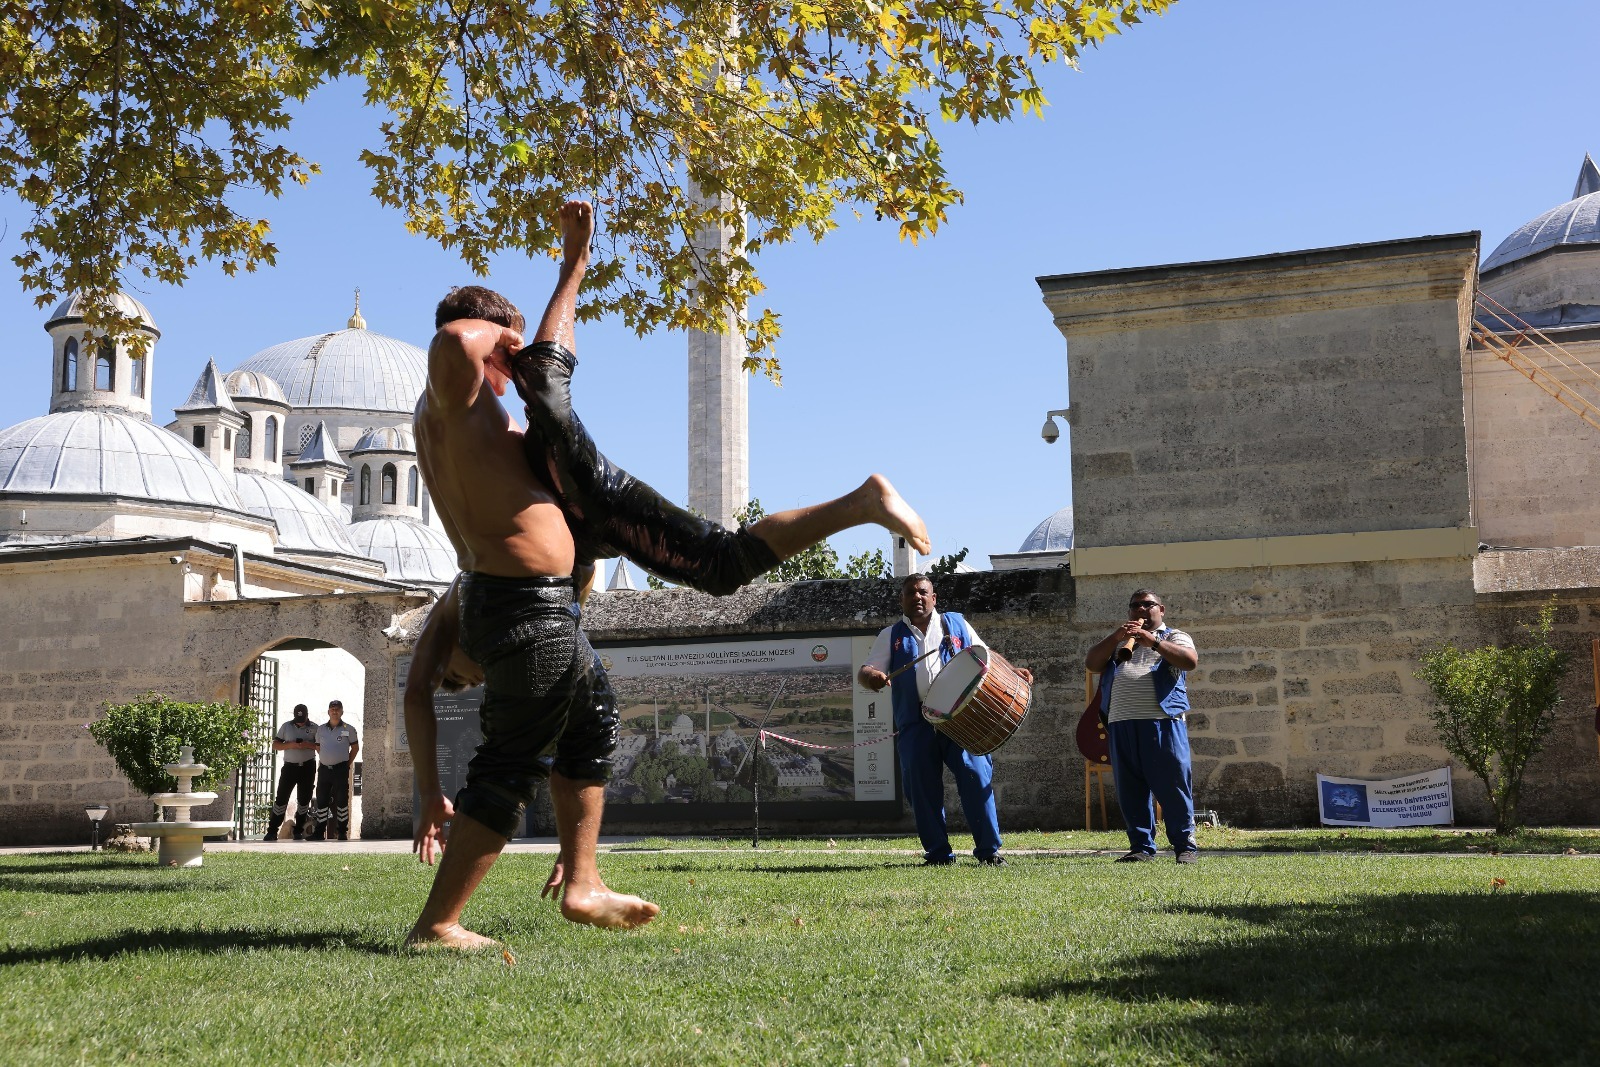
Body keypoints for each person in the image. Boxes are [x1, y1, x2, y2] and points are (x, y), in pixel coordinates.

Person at [407, 198, 930, 950]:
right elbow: (461, 339)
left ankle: (583, 880)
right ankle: (439, 923)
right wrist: (531, 322)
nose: (512, 372)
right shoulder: (456, 396)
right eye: (507, 355)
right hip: (526, 605)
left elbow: (540, 393)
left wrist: (542, 324)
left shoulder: (472, 424)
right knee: (511, 761)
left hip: (538, 599)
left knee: (594, 721)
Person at [858, 574, 1031, 867]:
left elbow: (986, 655)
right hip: (915, 723)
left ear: (933, 597)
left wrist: (1011, 669)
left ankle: (989, 851)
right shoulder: (891, 635)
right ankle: (938, 854)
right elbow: (866, 671)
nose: (917, 597)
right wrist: (872, 677)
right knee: (921, 788)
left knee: (976, 775)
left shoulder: (956, 624)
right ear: (901, 600)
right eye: (910, 593)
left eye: (923, 592)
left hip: (961, 717)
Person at [1085, 588, 1201, 864]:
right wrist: (1117, 636)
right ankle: (1141, 847)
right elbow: (1092, 663)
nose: (1141, 609)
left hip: (1162, 723)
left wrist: (1154, 642)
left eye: (1148, 604)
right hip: (1121, 724)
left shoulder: (1173, 636)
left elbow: (1189, 661)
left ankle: (1184, 847)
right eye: (1135, 605)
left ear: (1161, 609)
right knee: (1131, 790)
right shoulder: (1120, 643)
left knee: (1172, 786)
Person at [263, 703, 317, 841]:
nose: (300, 723)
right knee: (281, 798)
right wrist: (291, 745)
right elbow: (275, 745)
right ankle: (272, 831)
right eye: (298, 720)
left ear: (307, 716)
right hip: (289, 767)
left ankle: (298, 830)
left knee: (304, 800)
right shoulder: (286, 726)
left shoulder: (314, 728)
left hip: (307, 767)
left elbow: (321, 747)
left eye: (302, 720)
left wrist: (307, 745)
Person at [307, 699, 359, 842]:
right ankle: (319, 833)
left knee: (341, 801)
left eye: (337, 709)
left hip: (340, 769)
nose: (334, 711)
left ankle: (342, 832)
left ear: (342, 712)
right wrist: (327, 758)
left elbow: (355, 748)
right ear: (328, 712)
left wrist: (346, 764)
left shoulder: (349, 729)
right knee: (322, 801)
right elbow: (318, 747)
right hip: (324, 770)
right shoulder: (321, 729)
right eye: (332, 709)